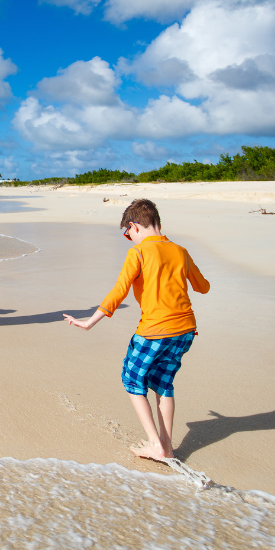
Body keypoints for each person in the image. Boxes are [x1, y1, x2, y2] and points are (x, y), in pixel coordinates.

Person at [63, 198, 210, 462]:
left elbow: (119, 291)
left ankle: (156, 445)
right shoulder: (180, 251)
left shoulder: (139, 252)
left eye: (127, 234)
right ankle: (167, 448)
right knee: (163, 383)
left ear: (134, 226)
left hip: (155, 330)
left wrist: (89, 322)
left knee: (132, 380)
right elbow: (203, 287)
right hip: (185, 330)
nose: (129, 239)